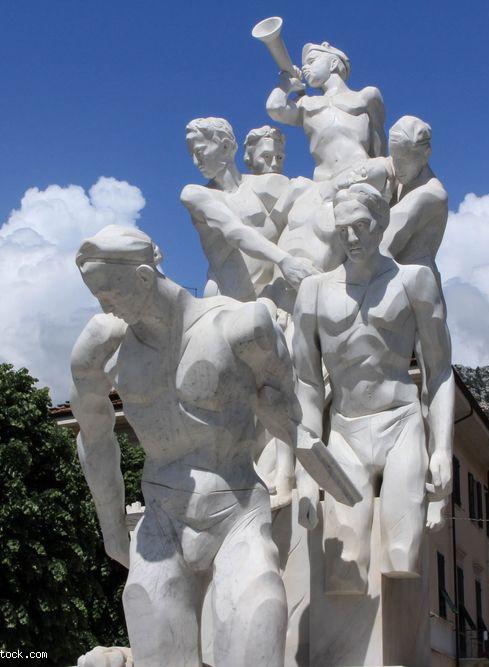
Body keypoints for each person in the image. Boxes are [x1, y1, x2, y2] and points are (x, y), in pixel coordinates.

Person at [71, 226, 357, 665]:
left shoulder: (243, 326)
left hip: (237, 514)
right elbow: (93, 435)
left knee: (256, 641)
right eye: (95, 294)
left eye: (109, 291)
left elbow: (292, 416)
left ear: (145, 277)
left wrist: (295, 457)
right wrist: (111, 527)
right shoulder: (102, 346)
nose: (103, 304)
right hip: (162, 523)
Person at [291, 184, 456, 592]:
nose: (351, 237)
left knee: (402, 557)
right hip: (344, 431)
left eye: (361, 225)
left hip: (401, 425)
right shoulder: (313, 291)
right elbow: (307, 384)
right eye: (343, 227)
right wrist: (308, 471)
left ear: (381, 223)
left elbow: (438, 372)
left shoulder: (413, 281)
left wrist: (443, 449)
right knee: (343, 574)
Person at [181, 117, 318, 302]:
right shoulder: (196, 194)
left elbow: (308, 194)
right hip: (227, 299)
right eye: (192, 155)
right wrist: (285, 261)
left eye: (199, 151)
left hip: (272, 296)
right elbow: (234, 231)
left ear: (226, 147)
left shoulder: (262, 185)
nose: (196, 162)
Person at [266, 42, 386, 182]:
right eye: (304, 64)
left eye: (311, 61)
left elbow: (379, 147)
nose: (305, 68)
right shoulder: (305, 104)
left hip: (359, 172)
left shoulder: (366, 96)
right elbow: (274, 108)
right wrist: (286, 82)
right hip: (324, 181)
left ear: (333, 63)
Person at [381, 116, 448, 281]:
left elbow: (381, 249)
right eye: (394, 158)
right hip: (393, 280)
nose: (396, 167)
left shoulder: (430, 195)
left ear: (426, 154)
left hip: (414, 288)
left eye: (404, 160)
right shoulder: (402, 176)